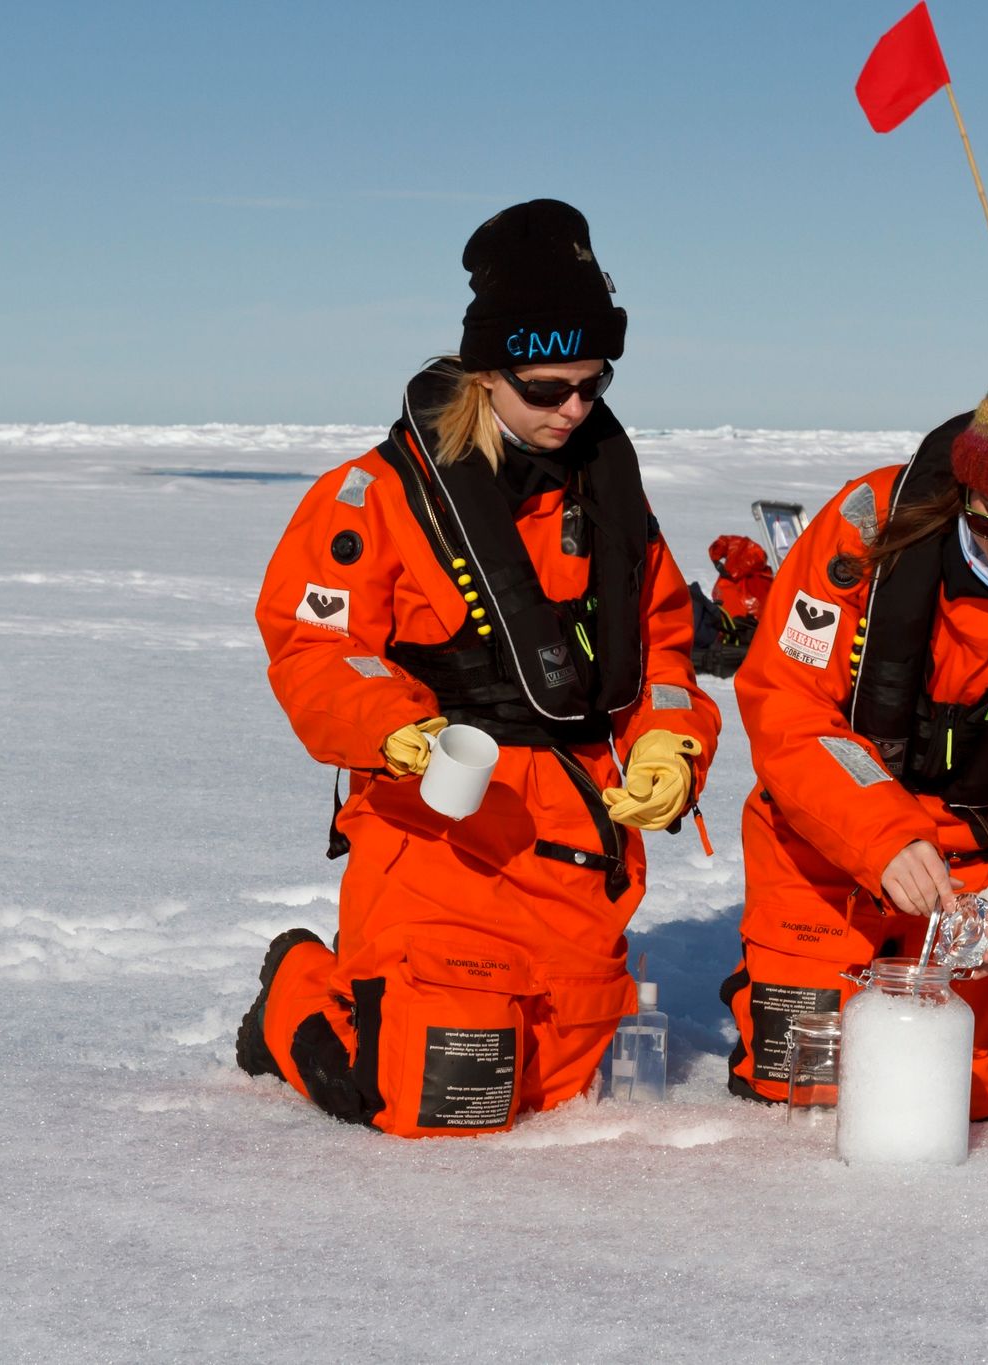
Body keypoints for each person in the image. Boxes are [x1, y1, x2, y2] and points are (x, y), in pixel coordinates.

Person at [235, 200, 722, 1137]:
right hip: (440, 835)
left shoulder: (611, 501)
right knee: (437, 1097)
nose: (574, 409)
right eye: (547, 388)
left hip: (576, 840)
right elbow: (314, 646)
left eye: (593, 385)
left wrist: (672, 741)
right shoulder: (372, 498)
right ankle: (293, 991)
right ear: (486, 373)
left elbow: (663, 647)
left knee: (553, 1090)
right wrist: (394, 729)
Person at [723, 353, 988, 1119]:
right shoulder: (863, 529)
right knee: (808, 1091)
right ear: (964, 484)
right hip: (828, 842)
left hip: (980, 879)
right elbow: (789, 706)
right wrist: (883, 836)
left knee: (955, 1099)